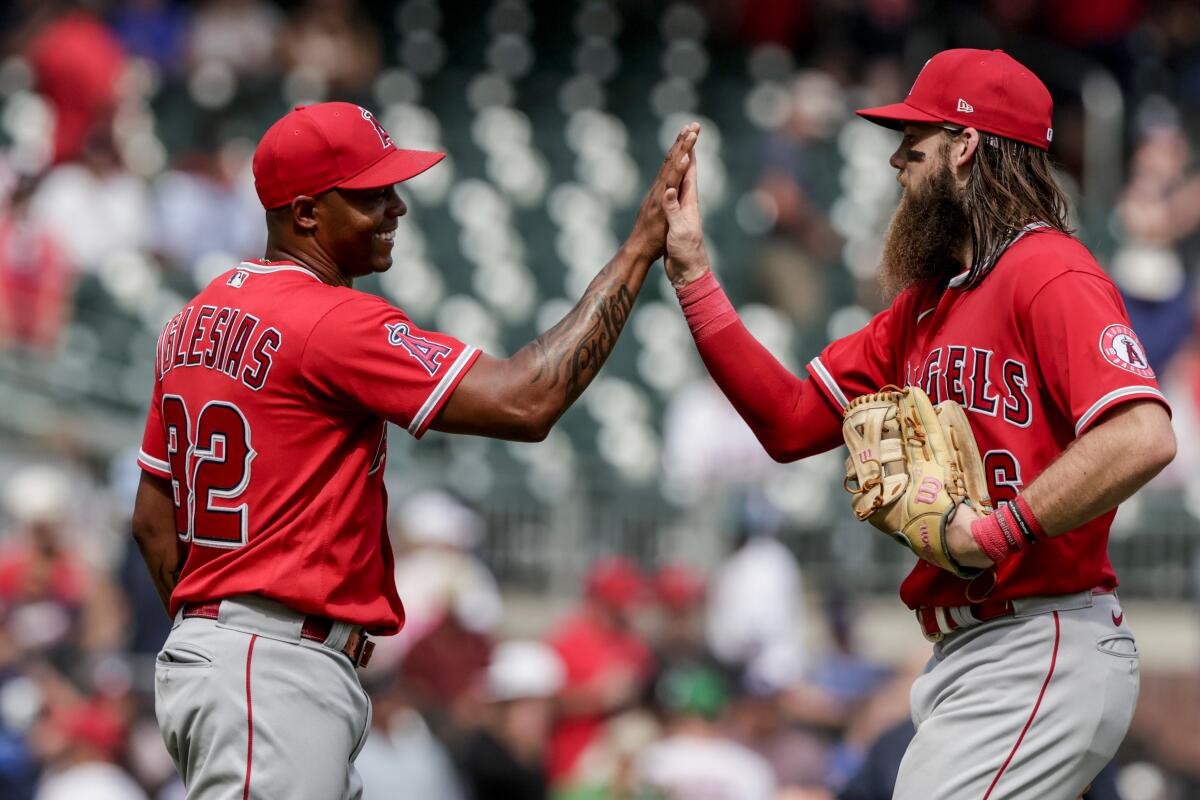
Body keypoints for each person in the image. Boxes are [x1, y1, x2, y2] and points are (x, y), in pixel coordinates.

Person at [129, 101, 699, 799]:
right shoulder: (330, 320)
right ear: (306, 213)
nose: (396, 206)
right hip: (269, 665)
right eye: (371, 193)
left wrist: (211, 635)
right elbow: (526, 400)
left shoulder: (191, 321)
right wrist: (639, 249)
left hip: (234, 656)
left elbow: (155, 523)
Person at [660, 49, 1175, 800]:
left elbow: (1142, 435)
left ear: (967, 147)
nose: (897, 160)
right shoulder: (924, 309)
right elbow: (789, 422)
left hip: (1042, 640)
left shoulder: (1050, 271)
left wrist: (998, 531)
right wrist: (694, 277)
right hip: (972, 651)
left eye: (916, 140)